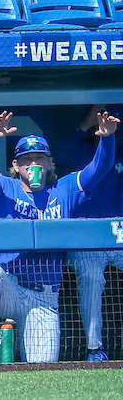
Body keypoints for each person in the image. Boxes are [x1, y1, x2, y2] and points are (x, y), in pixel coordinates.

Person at [0, 111, 118, 365]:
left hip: (43, 297)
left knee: (42, 368)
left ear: (49, 164)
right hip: (8, 286)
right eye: (26, 160)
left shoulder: (64, 190)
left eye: (39, 159)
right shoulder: (4, 188)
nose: (33, 165)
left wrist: (108, 138)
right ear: (15, 166)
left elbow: (99, 169)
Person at [70, 107, 123, 362]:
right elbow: (55, 157)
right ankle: (95, 349)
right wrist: (85, 122)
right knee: (91, 279)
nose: (101, 120)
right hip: (86, 236)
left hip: (118, 234)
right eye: (97, 117)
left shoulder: (118, 151)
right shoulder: (78, 150)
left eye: (106, 116)